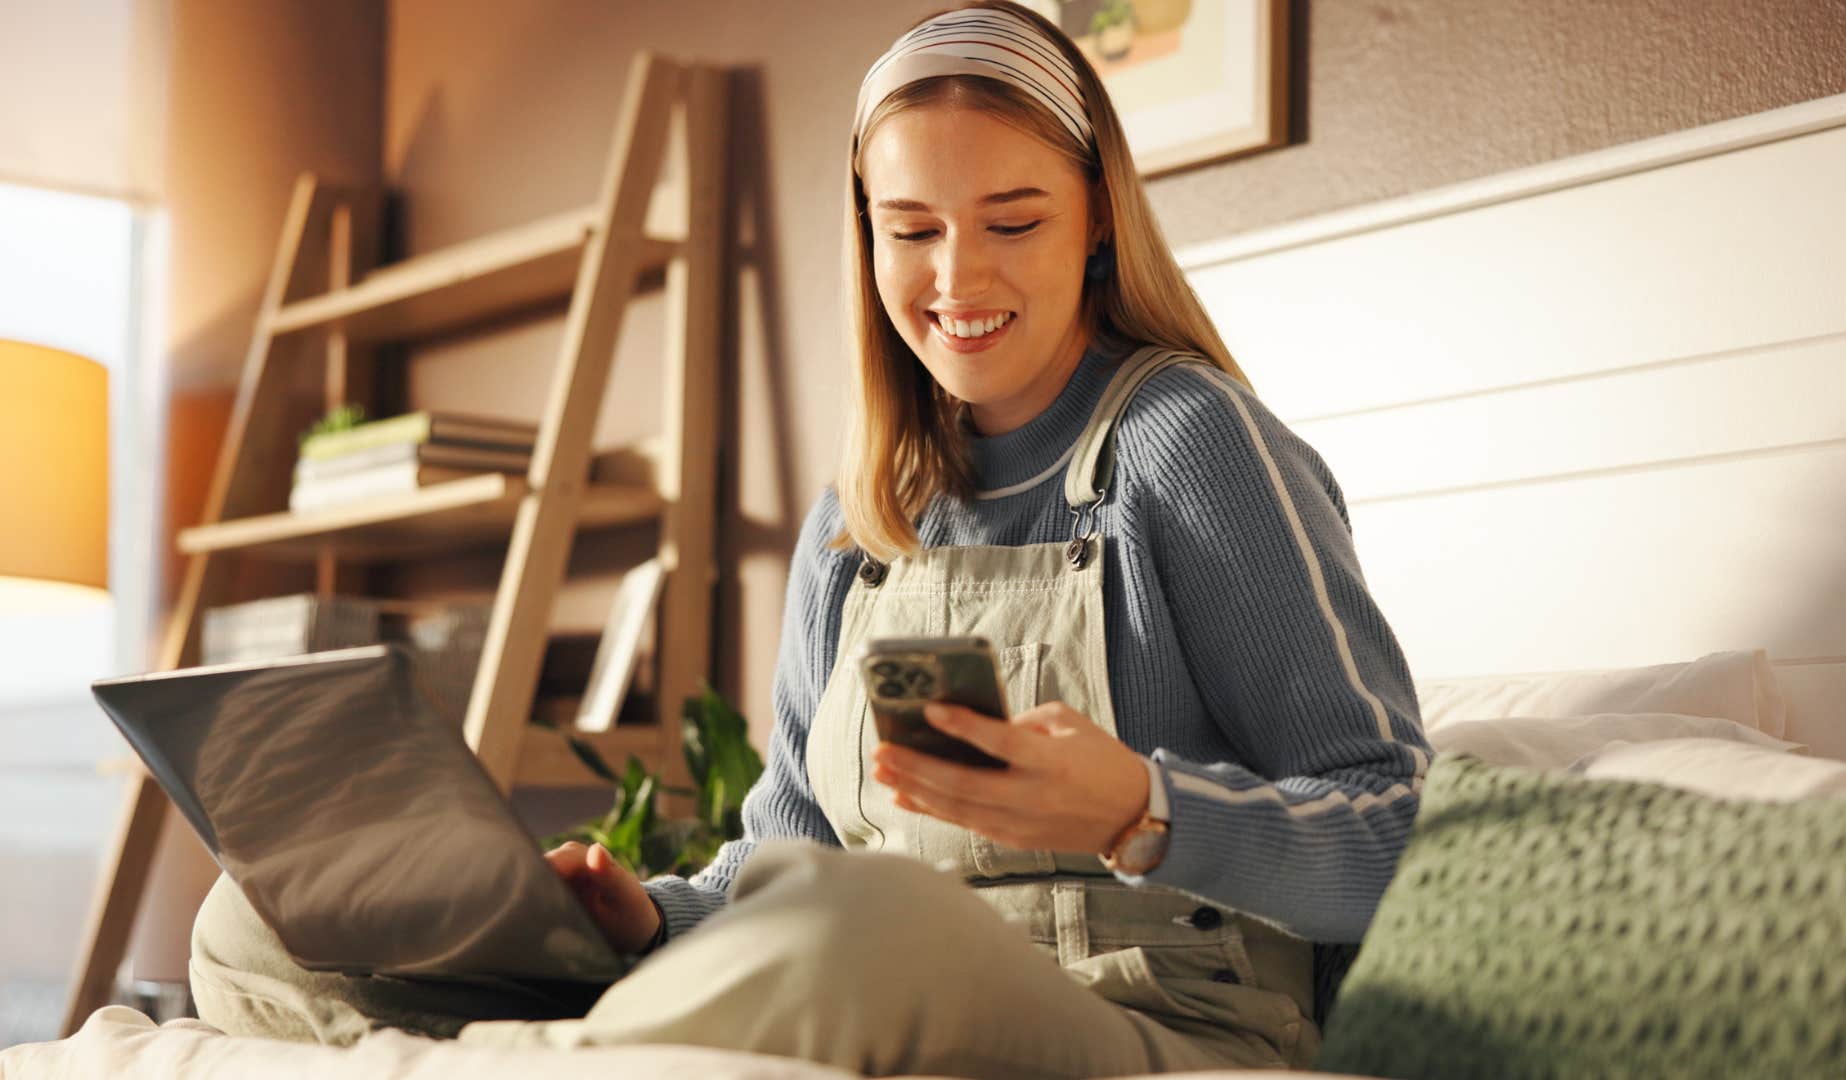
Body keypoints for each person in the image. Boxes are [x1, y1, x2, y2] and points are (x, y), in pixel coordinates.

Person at [189, 3, 1432, 1075]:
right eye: (913, 227)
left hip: (1157, 1019)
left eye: (1013, 219)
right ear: (868, 230)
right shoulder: (864, 507)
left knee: (862, 928)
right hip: (866, 974)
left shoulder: (1187, 438)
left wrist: (1141, 809)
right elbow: (784, 858)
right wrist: (643, 921)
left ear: (1096, 218)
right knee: (258, 921)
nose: (959, 276)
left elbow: (1394, 832)